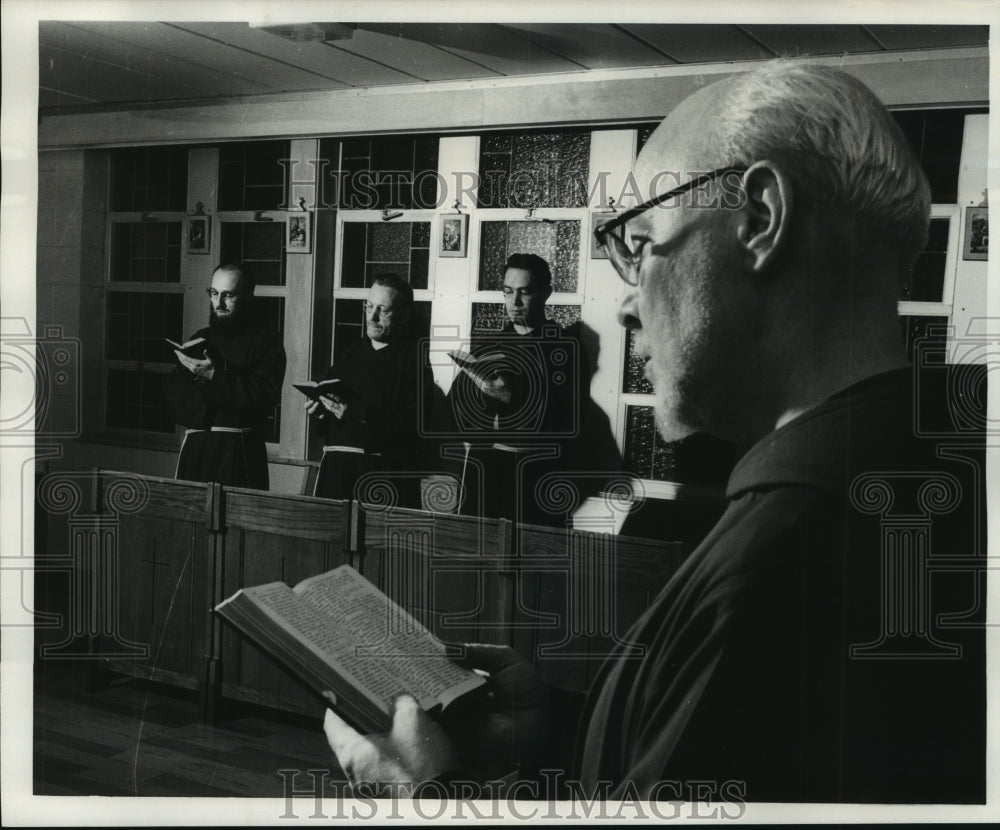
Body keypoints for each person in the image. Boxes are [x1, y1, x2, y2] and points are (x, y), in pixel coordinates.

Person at [322, 62, 985, 803]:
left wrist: (424, 791)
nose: (628, 304)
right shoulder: (920, 475)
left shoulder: (790, 552)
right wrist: (557, 731)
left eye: (639, 245)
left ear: (760, 219)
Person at [447, 253, 591, 525]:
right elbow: (453, 411)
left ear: (546, 293)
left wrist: (512, 397)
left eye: (524, 293)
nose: (513, 302)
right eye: (508, 292)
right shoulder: (488, 345)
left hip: (535, 474)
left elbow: (571, 422)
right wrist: (480, 401)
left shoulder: (565, 349)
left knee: (529, 559)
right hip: (484, 469)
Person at [308, 274, 430, 506]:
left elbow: (412, 428)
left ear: (404, 316)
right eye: (369, 306)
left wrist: (358, 413)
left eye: (382, 310)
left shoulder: (415, 361)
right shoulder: (349, 354)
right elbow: (326, 422)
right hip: (336, 473)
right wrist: (320, 411)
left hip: (381, 477)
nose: (372, 316)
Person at [164, 262, 286, 490]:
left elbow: (262, 398)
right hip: (196, 448)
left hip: (238, 450)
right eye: (214, 293)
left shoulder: (267, 341)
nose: (218, 303)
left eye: (228, 295)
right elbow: (175, 398)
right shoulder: (200, 338)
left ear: (249, 297)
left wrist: (212, 377)